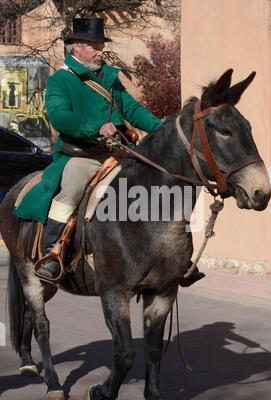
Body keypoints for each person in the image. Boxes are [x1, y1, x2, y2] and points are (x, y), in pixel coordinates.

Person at [14, 17, 162, 281]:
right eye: (94, 45)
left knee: (152, 185)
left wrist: (161, 128)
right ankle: (53, 252)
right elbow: (59, 117)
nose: (100, 50)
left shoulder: (110, 77)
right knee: (71, 189)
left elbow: (132, 109)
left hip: (118, 153)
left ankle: (167, 253)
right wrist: (97, 127)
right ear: (76, 48)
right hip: (81, 155)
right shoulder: (61, 80)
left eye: (101, 44)